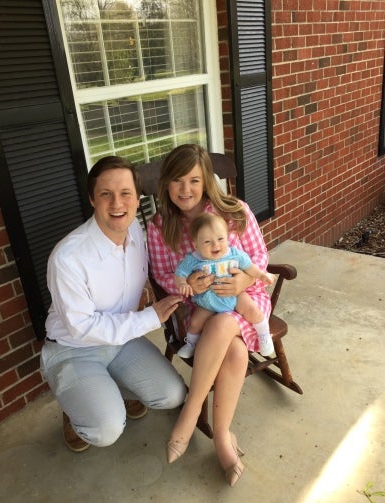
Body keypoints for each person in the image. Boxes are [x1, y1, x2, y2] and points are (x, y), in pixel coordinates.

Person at [40, 156, 187, 453]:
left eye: (125, 193)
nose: (117, 203)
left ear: (136, 198)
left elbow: (165, 266)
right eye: (106, 194)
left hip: (122, 341)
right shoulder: (68, 257)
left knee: (173, 395)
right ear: (92, 199)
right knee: (106, 429)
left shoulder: (136, 232)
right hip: (73, 349)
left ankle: (109, 387)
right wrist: (150, 318)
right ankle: (75, 410)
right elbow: (82, 328)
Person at [147, 144, 272, 487]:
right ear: (166, 185)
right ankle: (221, 437)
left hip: (245, 298)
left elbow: (259, 259)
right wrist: (189, 284)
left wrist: (242, 281)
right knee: (230, 345)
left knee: (223, 324)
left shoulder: (233, 212)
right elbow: (161, 277)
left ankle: (189, 415)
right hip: (199, 306)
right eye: (176, 181)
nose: (185, 189)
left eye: (193, 180)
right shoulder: (160, 226)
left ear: (206, 182)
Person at [174, 213, 275, 359]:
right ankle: (191, 344)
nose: (216, 245)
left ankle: (264, 335)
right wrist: (183, 283)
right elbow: (180, 273)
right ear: (196, 245)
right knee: (195, 322)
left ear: (227, 238)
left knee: (252, 310)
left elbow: (249, 266)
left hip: (234, 295)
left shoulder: (234, 254)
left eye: (221, 239)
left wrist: (262, 275)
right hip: (207, 300)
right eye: (208, 242)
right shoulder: (193, 259)